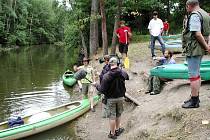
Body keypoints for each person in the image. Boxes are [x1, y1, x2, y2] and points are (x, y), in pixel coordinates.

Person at [182, 0, 210, 108]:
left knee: (193, 75)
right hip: (201, 47)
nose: (186, 8)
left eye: (187, 6)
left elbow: (197, 34)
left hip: (194, 48)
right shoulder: (204, 13)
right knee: (196, 73)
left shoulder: (194, 15)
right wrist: (207, 46)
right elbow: (208, 32)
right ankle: (194, 96)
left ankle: (194, 101)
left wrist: (206, 47)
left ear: (189, 6)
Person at [92, 57, 129, 139]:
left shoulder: (106, 76)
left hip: (111, 99)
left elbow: (102, 90)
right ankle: (118, 129)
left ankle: (112, 134)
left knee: (112, 116)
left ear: (109, 64)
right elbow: (127, 77)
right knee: (118, 114)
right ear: (117, 63)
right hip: (120, 97)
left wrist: (96, 85)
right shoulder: (122, 72)